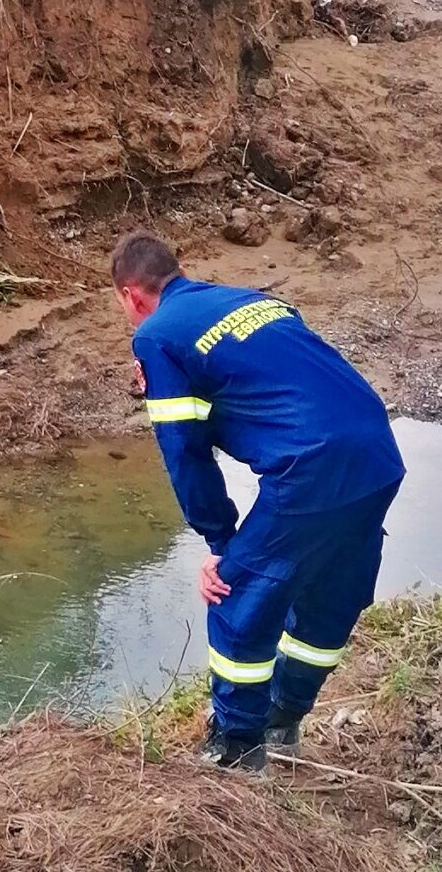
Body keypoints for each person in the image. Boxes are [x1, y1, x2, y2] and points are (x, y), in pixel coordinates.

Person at [114, 232, 406, 772]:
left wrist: (220, 541)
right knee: (331, 590)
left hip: (311, 466)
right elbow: (268, 383)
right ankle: (283, 718)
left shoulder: (156, 335)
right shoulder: (253, 300)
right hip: (377, 452)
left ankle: (236, 747)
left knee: (236, 593)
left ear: (131, 296)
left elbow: (184, 453)